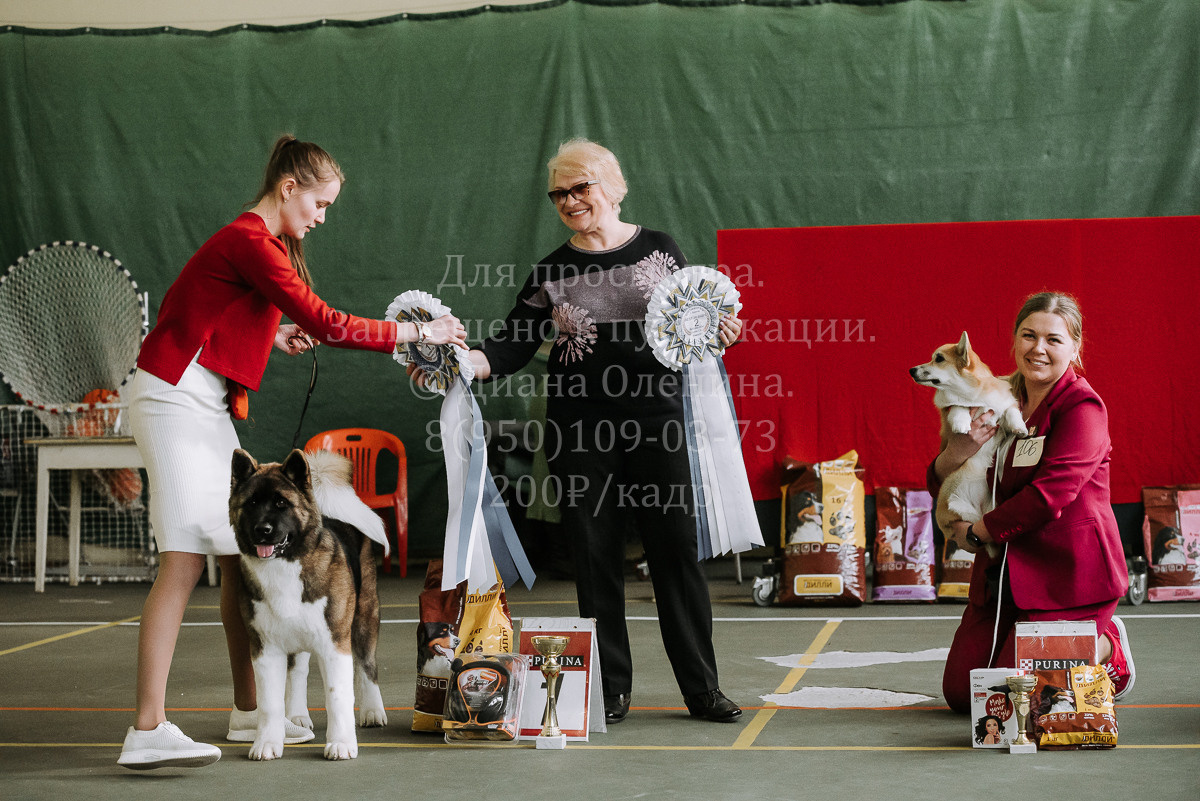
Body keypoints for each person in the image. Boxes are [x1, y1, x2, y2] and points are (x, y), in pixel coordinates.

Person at [117, 135, 467, 769]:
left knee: (231, 553)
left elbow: (206, 309)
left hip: (200, 397)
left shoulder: (257, 245)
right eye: (321, 202)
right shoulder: (252, 240)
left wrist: (271, 335)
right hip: (173, 397)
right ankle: (147, 727)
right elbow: (331, 322)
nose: (322, 217)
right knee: (183, 559)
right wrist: (419, 332)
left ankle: (252, 710)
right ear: (289, 188)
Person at [411, 138, 742, 723]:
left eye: (580, 187)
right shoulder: (552, 270)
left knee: (676, 555)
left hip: (657, 422)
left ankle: (701, 688)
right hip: (580, 431)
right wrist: (455, 359)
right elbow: (512, 345)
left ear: (613, 185)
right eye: (559, 193)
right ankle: (609, 689)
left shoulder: (660, 249)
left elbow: (697, 323)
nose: (569, 200)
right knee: (594, 557)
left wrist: (719, 329)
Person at [930, 291, 1134, 714]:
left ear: (1074, 347)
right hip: (1005, 574)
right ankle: (1065, 649)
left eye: (1053, 340)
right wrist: (957, 451)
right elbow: (947, 475)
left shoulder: (1083, 407)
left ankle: (1105, 647)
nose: (1037, 348)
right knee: (961, 696)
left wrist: (977, 532)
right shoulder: (998, 395)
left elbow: (1049, 495)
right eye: (1028, 336)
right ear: (1014, 340)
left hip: (1070, 577)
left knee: (1004, 704)